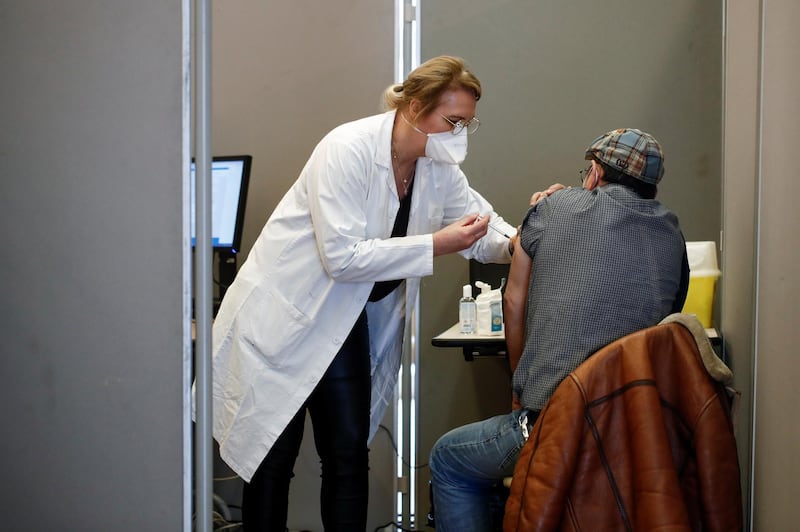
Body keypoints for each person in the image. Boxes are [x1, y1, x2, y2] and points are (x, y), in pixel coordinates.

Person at [202, 55, 517, 531]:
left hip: (346, 325)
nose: (459, 135)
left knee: (347, 456)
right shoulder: (347, 148)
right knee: (271, 459)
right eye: (452, 121)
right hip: (286, 319)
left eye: (467, 125)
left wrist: (529, 240)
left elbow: (485, 227)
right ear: (415, 106)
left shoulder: (437, 168)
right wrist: (437, 243)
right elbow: (342, 257)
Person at [429, 128, 690, 531]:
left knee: (449, 459)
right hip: (635, 433)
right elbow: (664, 320)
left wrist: (520, 388)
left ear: (597, 173)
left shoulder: (554, 207)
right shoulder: (672, 233)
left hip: (557, 425)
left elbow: (514, 302)